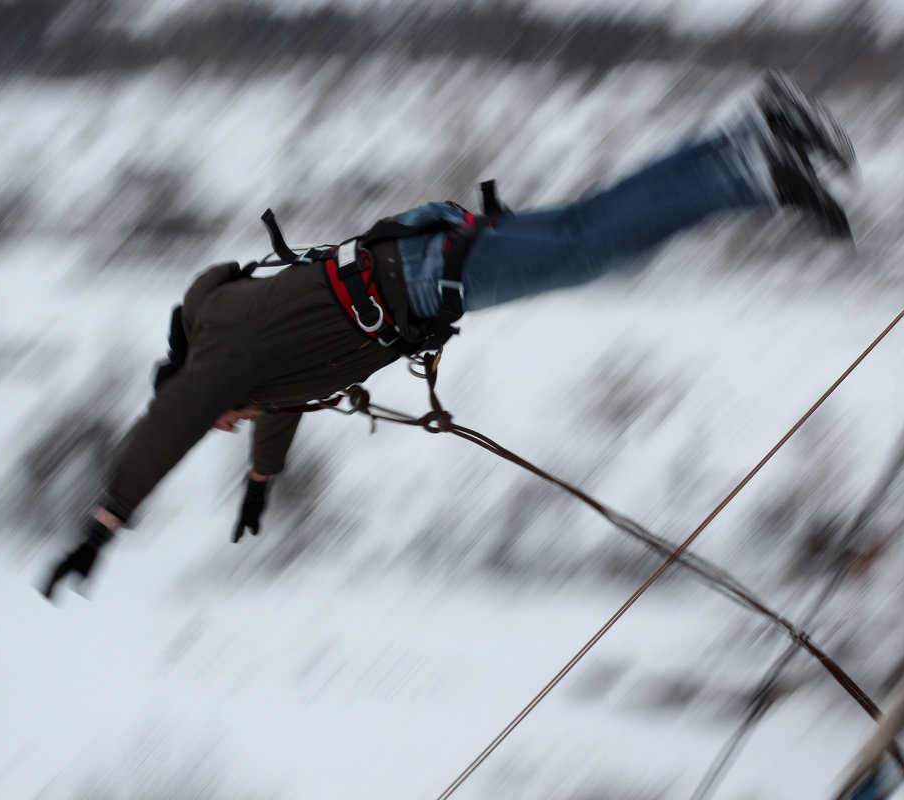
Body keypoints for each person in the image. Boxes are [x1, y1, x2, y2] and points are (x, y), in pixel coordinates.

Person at [42, 71, 857, 600]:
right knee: (587, 227)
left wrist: (101, 529)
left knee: (591, 250)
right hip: (426, 257)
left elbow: (171, 423)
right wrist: (262, 481)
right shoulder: (239, 341)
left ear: (197, 387)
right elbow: (280, 399)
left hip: (427, 278)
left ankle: (755, 173)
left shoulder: (221, 363)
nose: (236, 421)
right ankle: (754, 133)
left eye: (227, 420)